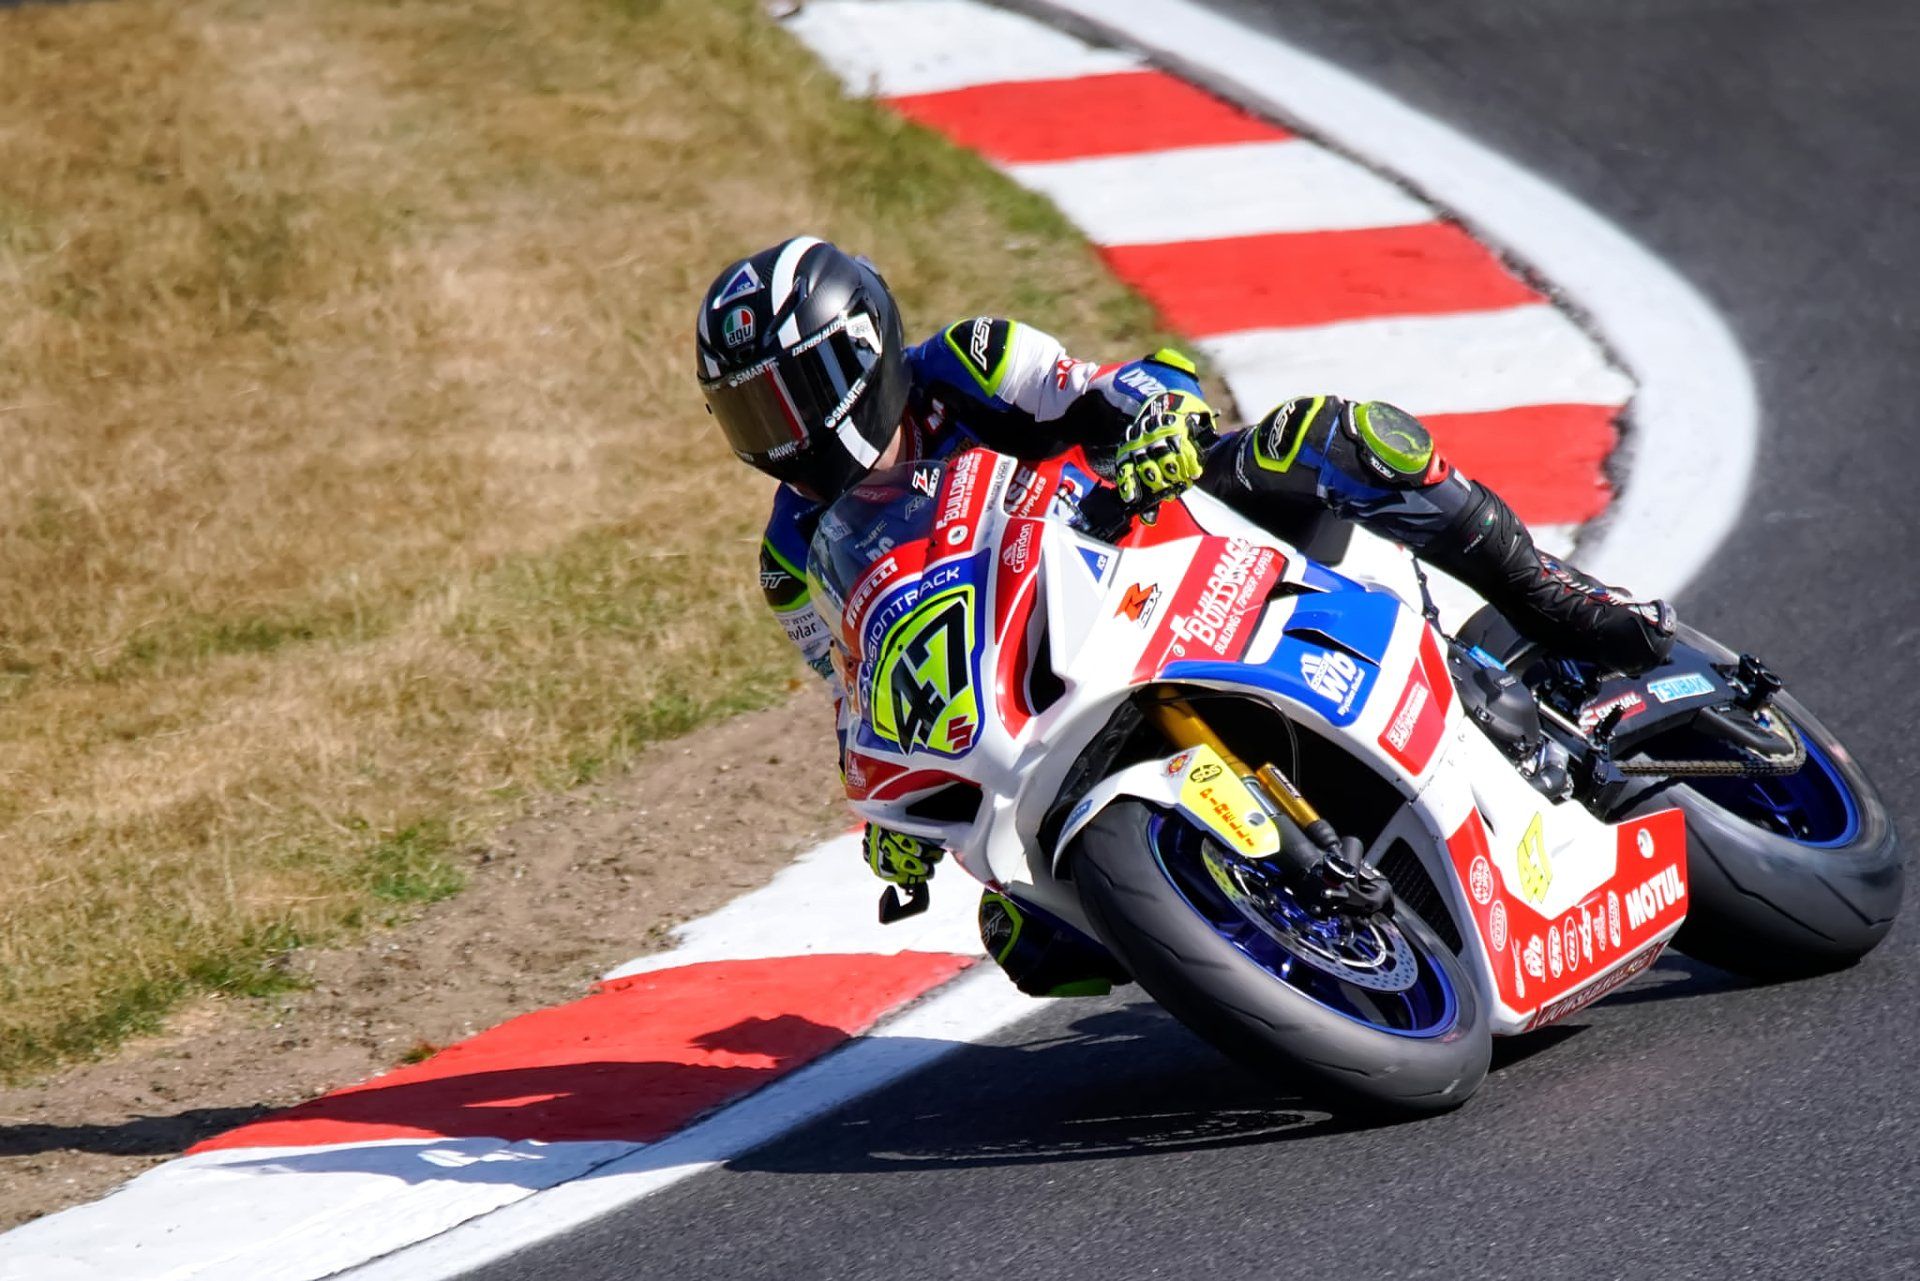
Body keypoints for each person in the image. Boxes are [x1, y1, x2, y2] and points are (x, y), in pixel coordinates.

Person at [696, 236, 1675, 992]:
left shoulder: (968, 362)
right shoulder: (790, 558)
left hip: (1156, 529)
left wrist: (1160, 415)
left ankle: (1556, 599)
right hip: (1041, 664)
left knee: (1336, 439)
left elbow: (1109, 382)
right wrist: (888, 811)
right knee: (1030, 943)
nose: (783, 435)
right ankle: (1255, 931)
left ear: (863, 352)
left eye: (794, 397)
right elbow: (854, 686)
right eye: (751, 414)